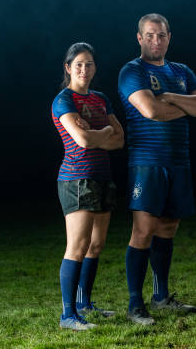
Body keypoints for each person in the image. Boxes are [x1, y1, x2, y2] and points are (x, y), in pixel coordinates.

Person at [118, 13, 196, 325]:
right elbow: (150, 110)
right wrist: (186, 106)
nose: (155, 41)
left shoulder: (181, 71)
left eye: (161, 35)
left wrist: (171, 97)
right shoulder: (132, 71)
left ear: (169, 37)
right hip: (147, 162)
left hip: (178, 162)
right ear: (139, 38)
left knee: (168, 228)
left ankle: (160, 297)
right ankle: (135, 305)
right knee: (143, 230)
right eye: (149, 35)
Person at [52, 42, 124, 330]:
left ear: (95, 68)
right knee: (78, 246)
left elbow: (119, 140)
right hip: (77, 179)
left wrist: (98, 132)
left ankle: (84, 303)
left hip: (103, 176)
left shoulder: (100, 99)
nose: (84, 69)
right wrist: (103, 131)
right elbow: (82, 141)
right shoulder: (64, 100)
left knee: (96, 244)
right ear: (69, 68)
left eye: (89, 64)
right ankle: (68, 315)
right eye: (78, 64)